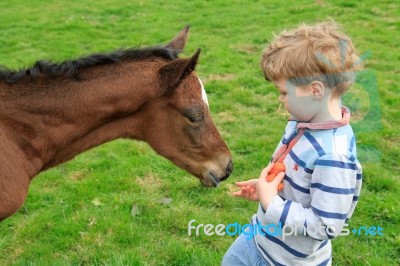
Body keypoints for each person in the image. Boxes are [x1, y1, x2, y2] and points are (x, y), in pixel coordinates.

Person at [222, 20, 363, 266]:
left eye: (284, 93)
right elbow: (296, 180)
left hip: (288, 260)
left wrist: (272, 204)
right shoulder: (302, 122)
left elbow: (326, 225)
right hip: (259, 237)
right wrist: (268, 189)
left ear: (315, 91)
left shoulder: (333, 157)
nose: (280, 99)